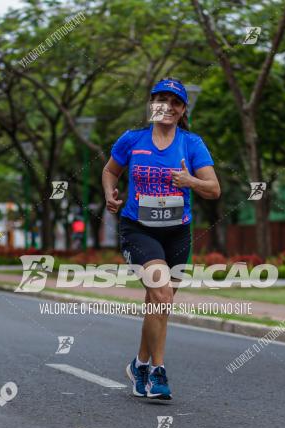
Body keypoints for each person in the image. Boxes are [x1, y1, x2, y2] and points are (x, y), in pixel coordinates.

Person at [102, 77, 220, 401]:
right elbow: (110, 170)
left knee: (160, 302)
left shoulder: (192, 144)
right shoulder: (132, 140)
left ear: (183, 110)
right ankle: (158, 371)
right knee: (162, 289)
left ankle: (138, 364)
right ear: (151, 104)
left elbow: (214, 189)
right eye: (161, 100)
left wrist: (189, 180)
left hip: (177, 232)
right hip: (138, 228)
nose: (167, 107)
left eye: (175, 103)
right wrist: (109, 195)